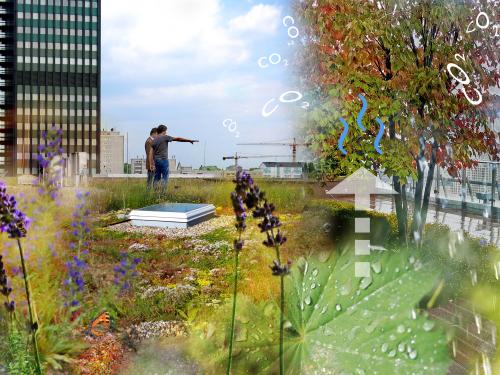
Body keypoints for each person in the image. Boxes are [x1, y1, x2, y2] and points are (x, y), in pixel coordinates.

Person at [151, 124, 198, 189]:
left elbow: (153, 153)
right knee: (165, 177)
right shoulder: (165, 137)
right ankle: (163, 193)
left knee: (157, 177)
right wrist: (189, 140)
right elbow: (178, 139)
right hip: (163, 160)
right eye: (165, 131)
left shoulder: (154, 140)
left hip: (156, 160)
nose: (166, 132)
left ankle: (155, 192)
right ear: (163, 131)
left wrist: (153, 162)